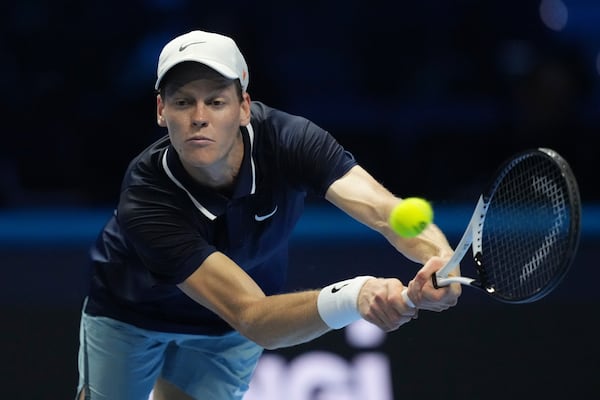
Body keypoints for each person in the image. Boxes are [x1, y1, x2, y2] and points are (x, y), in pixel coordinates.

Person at [75, 29, 461, 400]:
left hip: (223, 334)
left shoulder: (290, 140)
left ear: (243, 107)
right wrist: (356, 296)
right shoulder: (147, 196)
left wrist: (438, 259)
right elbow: (252, 316)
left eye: (216, 101)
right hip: (130, 316)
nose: (198, 117)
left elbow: (385, 211)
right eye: (182, 102)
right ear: (161, 111)